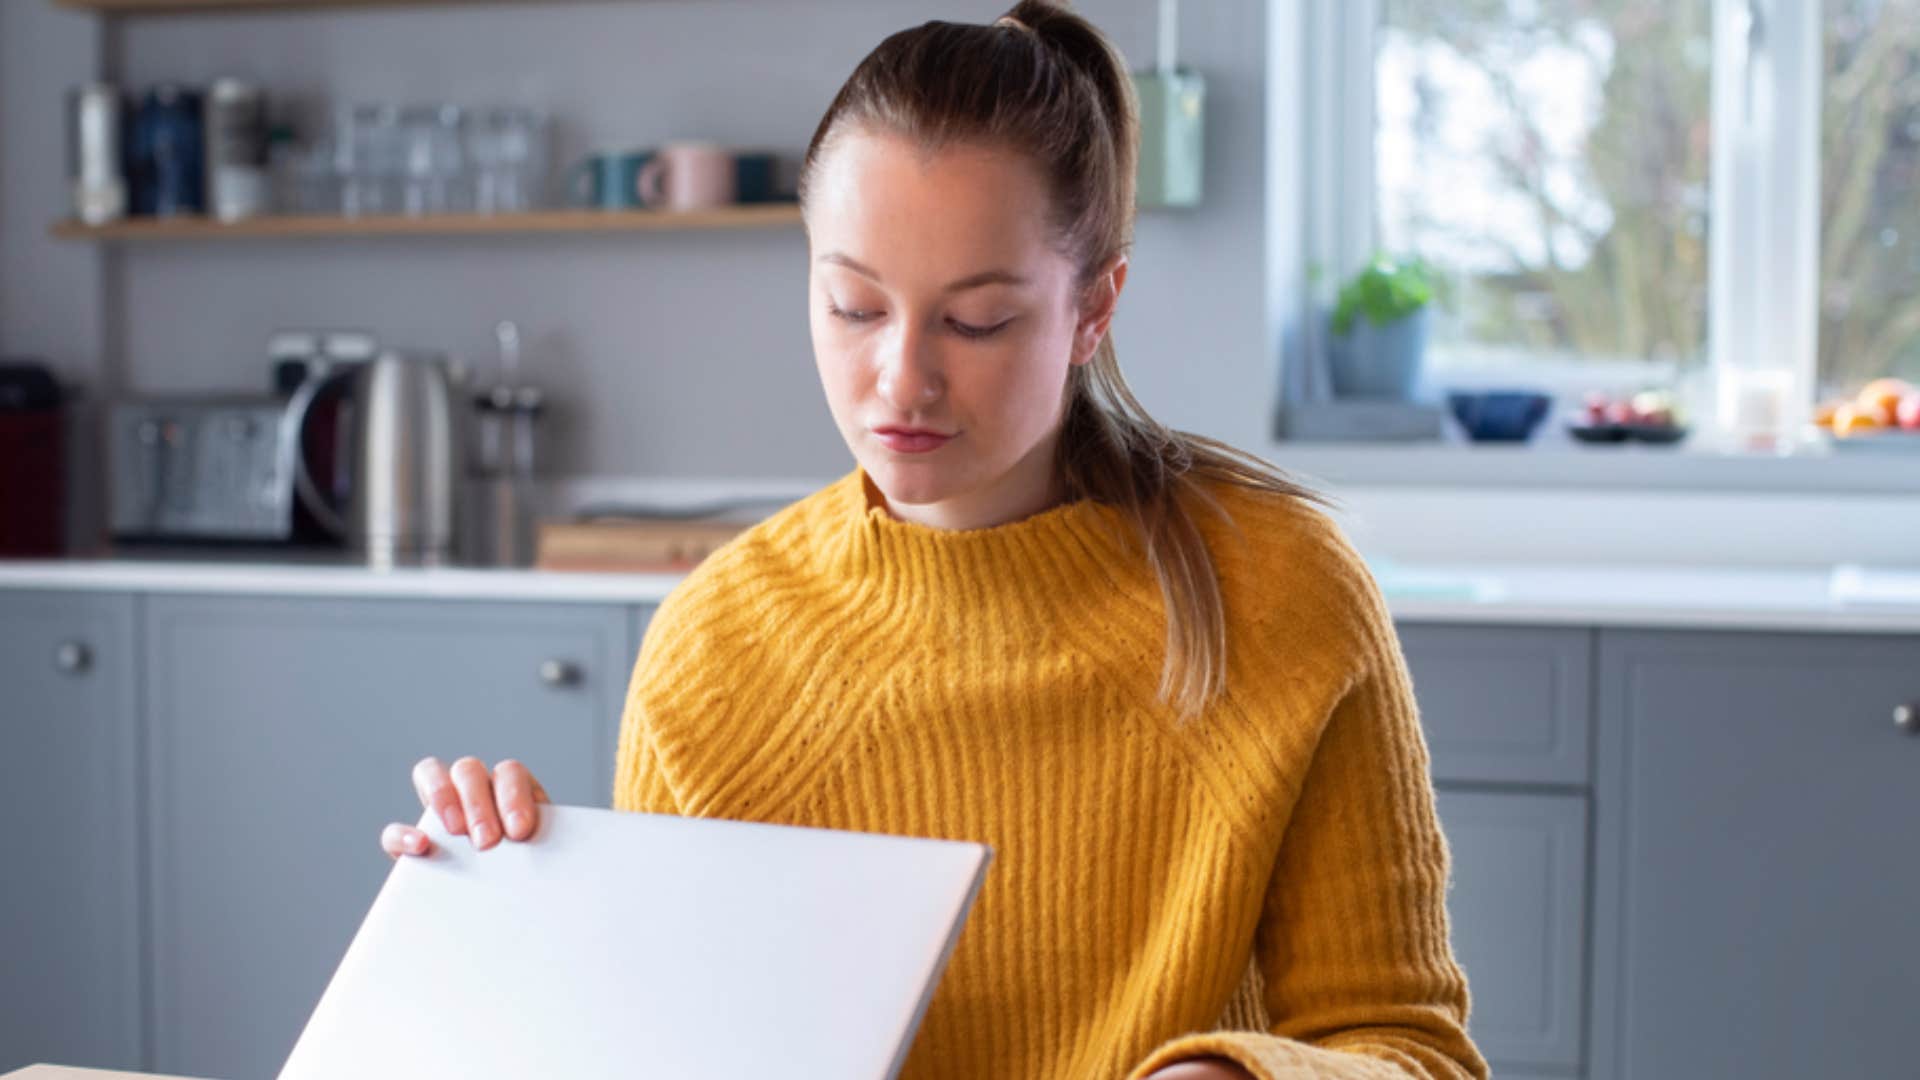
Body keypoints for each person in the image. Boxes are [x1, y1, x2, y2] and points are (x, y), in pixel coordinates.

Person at [380, 3, 1489, 1078]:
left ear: (1094, 310)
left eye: (977, 321)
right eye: (854, 307)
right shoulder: (713, 651)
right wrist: (502, 930)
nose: (901, 380)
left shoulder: (1282, 591)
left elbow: (1411, 1049)